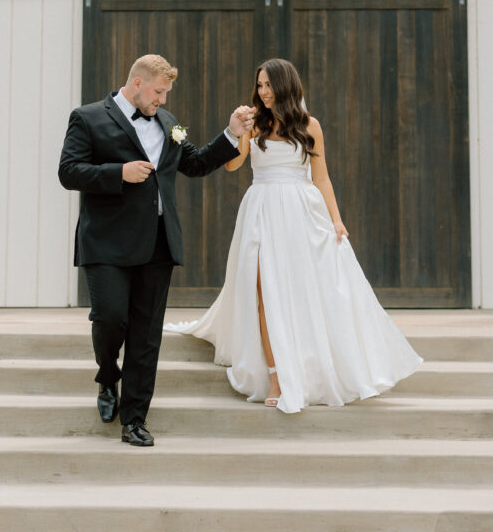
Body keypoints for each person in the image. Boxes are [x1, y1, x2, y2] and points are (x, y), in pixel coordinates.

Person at [165, 58, 422, 413]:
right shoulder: (254, 124)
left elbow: (322, 178)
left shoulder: (309, 125)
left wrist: (337, 219)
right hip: (261, 210)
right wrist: (237, 131)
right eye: (259, 85)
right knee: (262, 292)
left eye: (268, 85)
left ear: (286, 86)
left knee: (306, 290)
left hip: (302, 212)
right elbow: (234, 164)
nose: (263, 92)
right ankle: (274, 375)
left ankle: (312, 365)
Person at [58, 53, 254, 446]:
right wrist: (119, 173)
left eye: (166, 93)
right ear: (137, 83)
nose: (163, 100)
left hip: (158, 243)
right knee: (111, 317)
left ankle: (134, 419)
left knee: (147, 336)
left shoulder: (170, 123)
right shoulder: (88, 116)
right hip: (107, 242)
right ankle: (107, 375)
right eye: (159, 92)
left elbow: (195, 162)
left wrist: (230, 134)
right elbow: (69, 171)